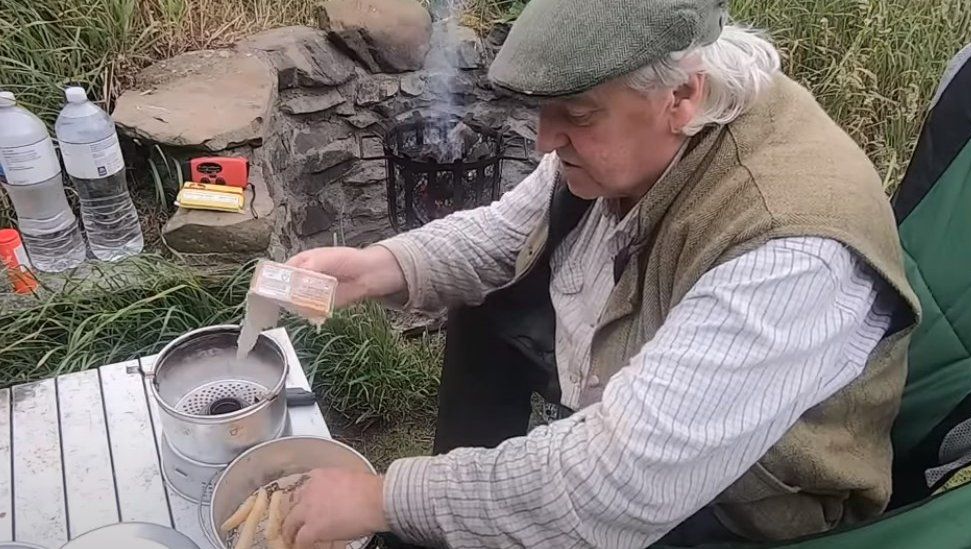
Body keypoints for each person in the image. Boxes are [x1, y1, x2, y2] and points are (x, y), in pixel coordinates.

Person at [278, 0, 922, 547]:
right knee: (488, 302)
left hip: (746, 497)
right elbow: (510, 232)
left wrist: (387, 497)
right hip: (653, 401)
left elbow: (620, 482)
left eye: (577, 116)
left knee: (574, 493)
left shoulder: (790, 250)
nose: (543, 141)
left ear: (682, 95)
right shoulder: (646, 124)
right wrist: (379, 266)